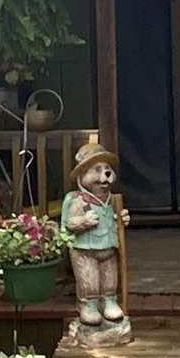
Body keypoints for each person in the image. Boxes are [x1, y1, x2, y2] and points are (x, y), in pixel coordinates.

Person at [60, 141, 129, 335]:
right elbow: (68, 224)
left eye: (107, 169)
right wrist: (83, 221)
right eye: (97, 170)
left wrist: (121, 219)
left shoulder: (112, 200)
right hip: (85, 250)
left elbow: (114, 220)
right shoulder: (77, 199)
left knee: (109, 280)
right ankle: (88, 306)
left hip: (107, 248)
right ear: (82, 176)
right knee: (89, 281)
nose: (104, 175)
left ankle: (109, 301)